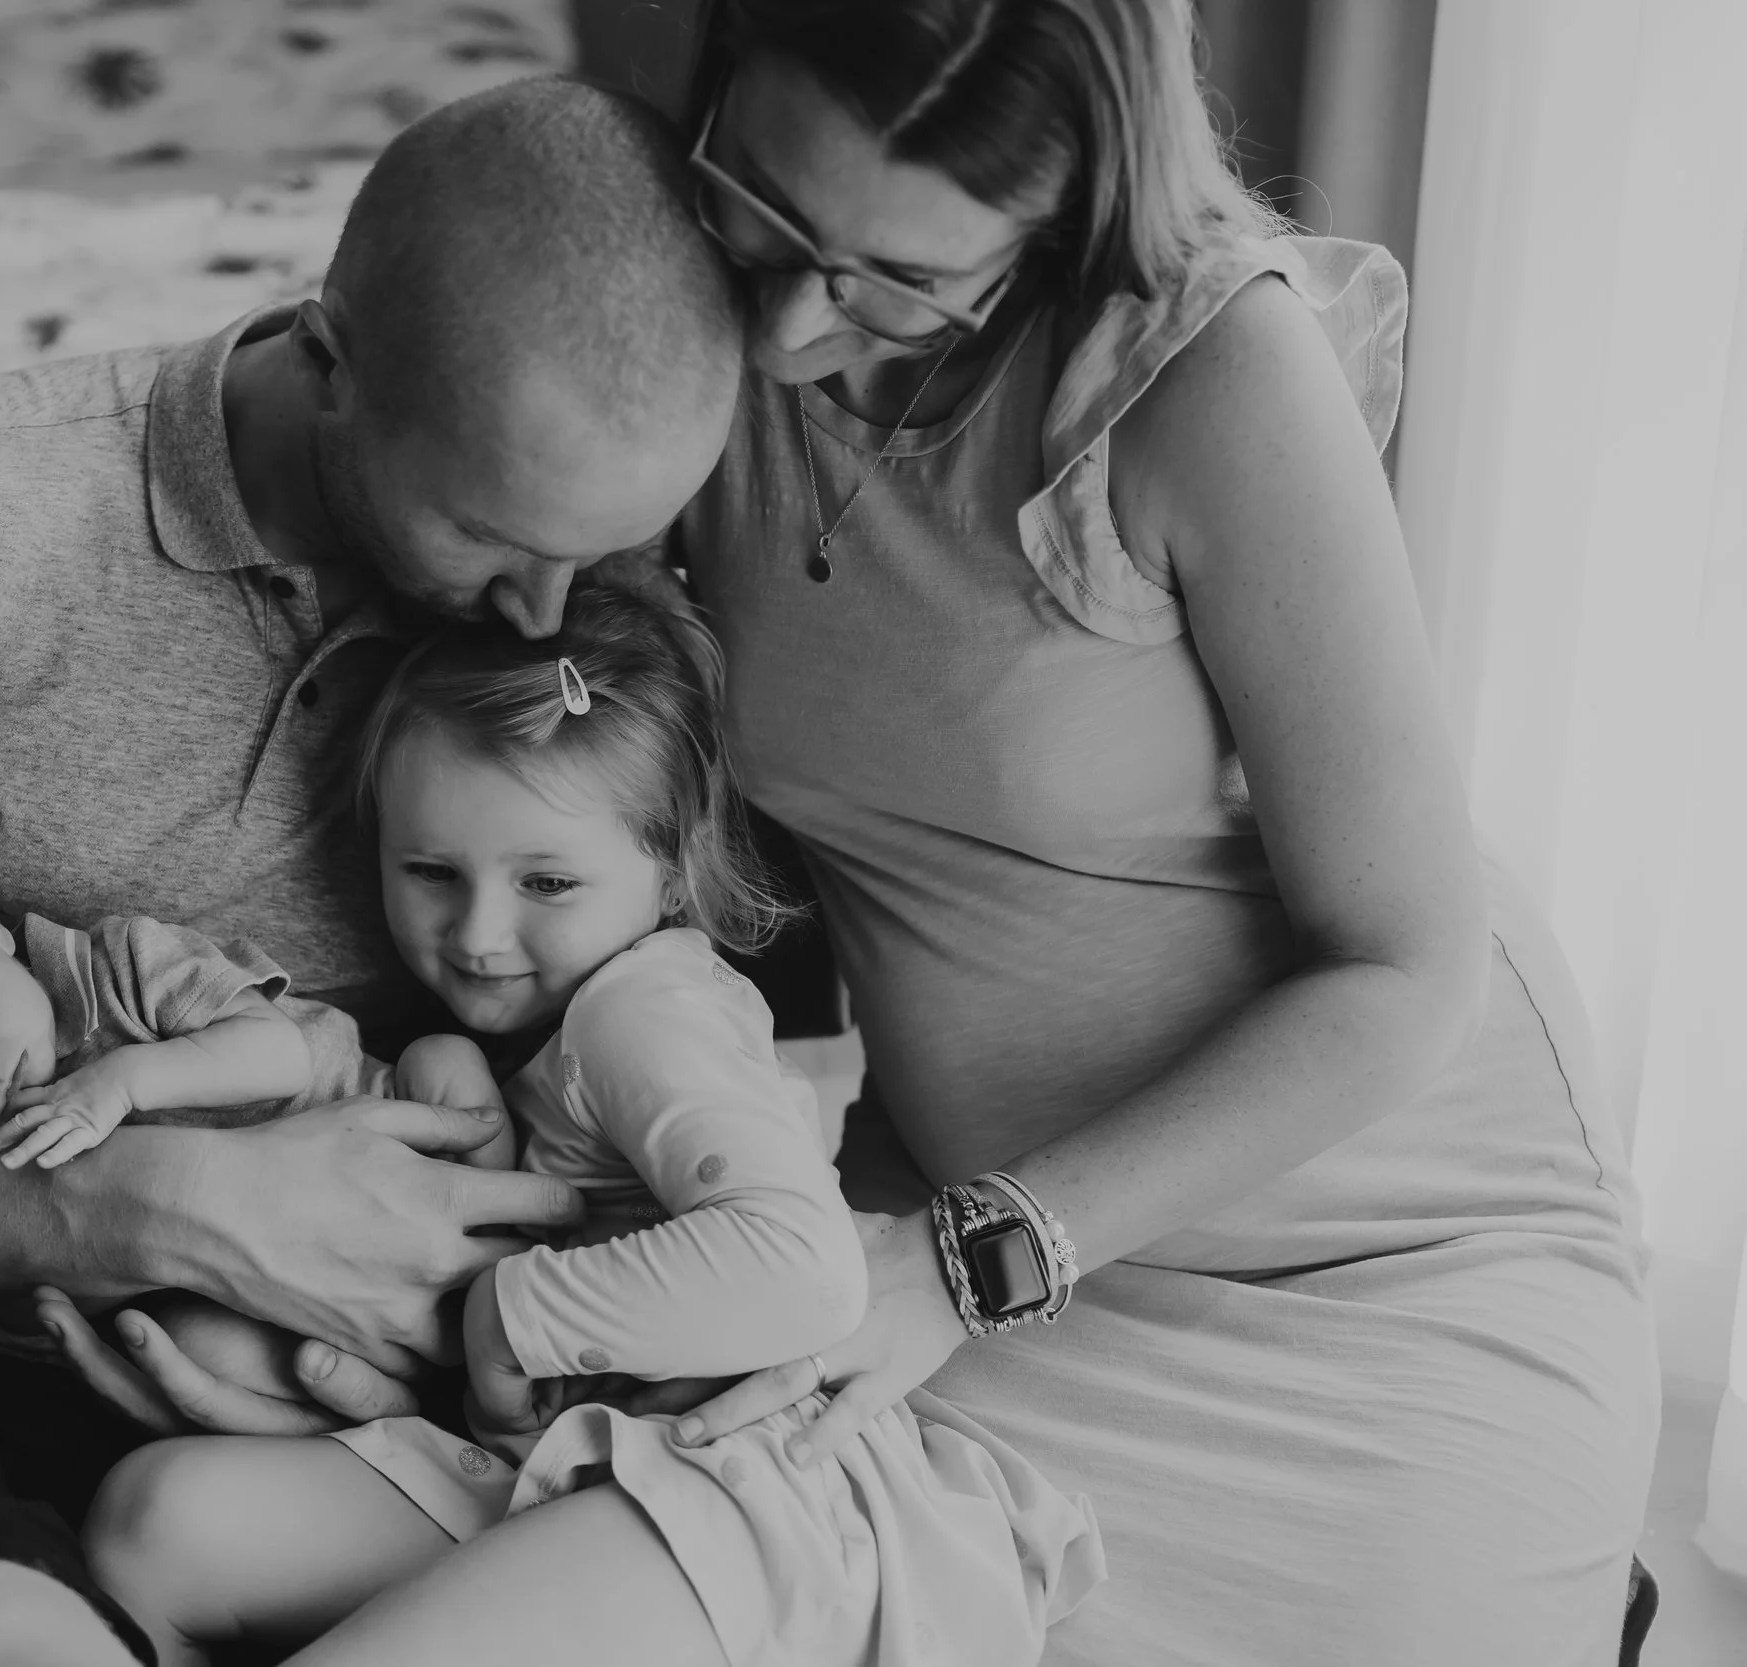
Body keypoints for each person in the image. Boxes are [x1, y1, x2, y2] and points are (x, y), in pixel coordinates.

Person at [0, 77, 742, 1667]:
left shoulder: (626, 556)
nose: (545, 619)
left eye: (598, 554)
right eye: (486, 532)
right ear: (331, 356)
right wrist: (161, 1208)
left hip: (387, 1416)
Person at [645, 3, 1661, 1664]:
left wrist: (972, 1262)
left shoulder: (1208, 375)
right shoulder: (678, 277)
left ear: (1066, 215)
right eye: (762, 209)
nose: (781, 324)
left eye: (898, 283)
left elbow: (1406, 963)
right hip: (953, 1224)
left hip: (1372, 1239)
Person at [73, 583, 1102, 1667]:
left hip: (741, 1481)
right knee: (155, 1524)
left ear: (668, 872)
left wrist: (506, 1315)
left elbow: (804, 1264)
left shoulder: (640, 1010)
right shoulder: (548, 1024)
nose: (476, 931)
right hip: (576, 1458)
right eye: (429, 871)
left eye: (547, 880)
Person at [0, 861, 446, 1172]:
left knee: (449, 1065)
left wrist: (124, 1083)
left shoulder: (125, 964)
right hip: (307, 1234)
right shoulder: (1, 1146)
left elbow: (282, 1056)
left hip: (387, 1114)